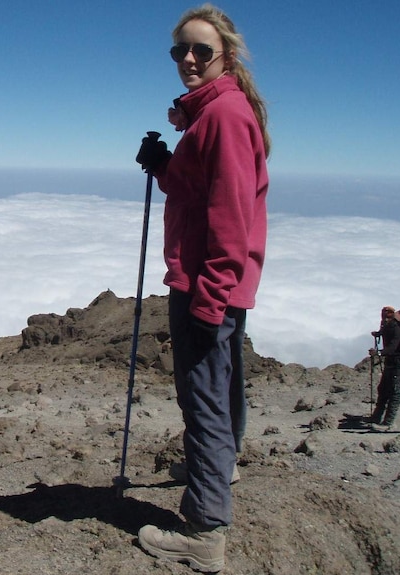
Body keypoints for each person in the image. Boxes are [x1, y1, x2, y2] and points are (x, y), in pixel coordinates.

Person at [134, 4, 270, 571]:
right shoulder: (213, 115)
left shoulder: (223, 117)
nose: (187, 60)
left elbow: (229, 220)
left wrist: (209, 299)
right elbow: (197, 193)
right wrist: (165, 165)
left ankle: (205, 531)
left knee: (204, 397)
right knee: (222, 383)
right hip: (216, 281)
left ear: (227, 56)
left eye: (200, 51)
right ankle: (221, 467)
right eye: (179, 51)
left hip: (207, 281)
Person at [367, 306, 400, 431]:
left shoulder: (396, 328)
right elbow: (385, 336)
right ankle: (377, 417)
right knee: (383, 389)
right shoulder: (387, 326)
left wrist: (378, 353)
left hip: (398, 362)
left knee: (394, 392)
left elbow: (392, 347)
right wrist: (377, 334)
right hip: (392, 362)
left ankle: (388, 422)